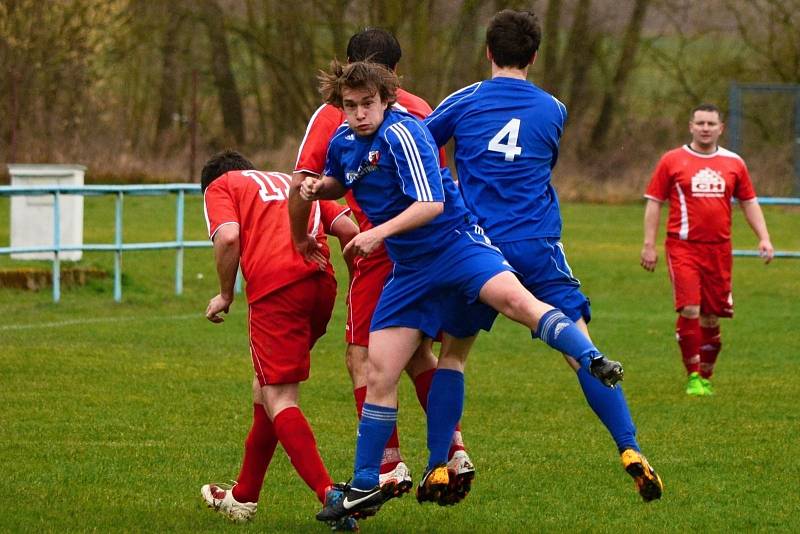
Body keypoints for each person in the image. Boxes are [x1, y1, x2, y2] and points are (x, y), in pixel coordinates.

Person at [293, 60, 623, 522]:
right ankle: (367, 483)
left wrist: (376, 234)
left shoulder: (404, 133)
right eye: (350, 106)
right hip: (410, 271)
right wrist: (316, 187)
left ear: (386, 99)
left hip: (457, 246)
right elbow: (341, 179)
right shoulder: (344, 142)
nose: (359, 113)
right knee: (380, 370)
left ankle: (592, 359)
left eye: (368, 104)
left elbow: (431, 203)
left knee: (518, 302)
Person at [423, 9, 663, 502]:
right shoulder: (554, 109)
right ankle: (630, 447)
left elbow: (422, 147)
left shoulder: (464, 100)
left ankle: (438, 465)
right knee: (582, 351)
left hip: (478, 248)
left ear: (488, 52)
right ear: (534, 56)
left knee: (453, 354)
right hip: (538, 244)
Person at [290, 27, 473, 502]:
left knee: (364, 357)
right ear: (397, 70)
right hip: (436, 246)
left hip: (382, 245)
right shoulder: (422, 107)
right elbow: (437, 178)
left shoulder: (337, 113)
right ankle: (453, 450)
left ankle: (388, 467)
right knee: (418, 354)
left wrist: (307, 231)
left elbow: (305, 181)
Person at [198, 150, 360, 530]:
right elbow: (349, 230)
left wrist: (225, 294)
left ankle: (331, 497)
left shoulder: (222, 186)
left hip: (277, 289)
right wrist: (358, 285)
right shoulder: (289, 179)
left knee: (279, 396)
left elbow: (228, 238)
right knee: (266, 386)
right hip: (320, 286)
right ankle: (244, 496)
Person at [641, 103, 774, 396]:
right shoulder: (672, 160)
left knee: (712, 316)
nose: (705, 128)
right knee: (690, 308)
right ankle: (692, 376)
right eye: (700, 123)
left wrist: (763, 237)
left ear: (720, 128)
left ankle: (706, 376)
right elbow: (654, 202)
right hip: (682, 246)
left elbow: (749, 202)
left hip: (719, 249)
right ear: (690, 126)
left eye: (711, 124)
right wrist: (649, 245)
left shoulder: (734, 163)